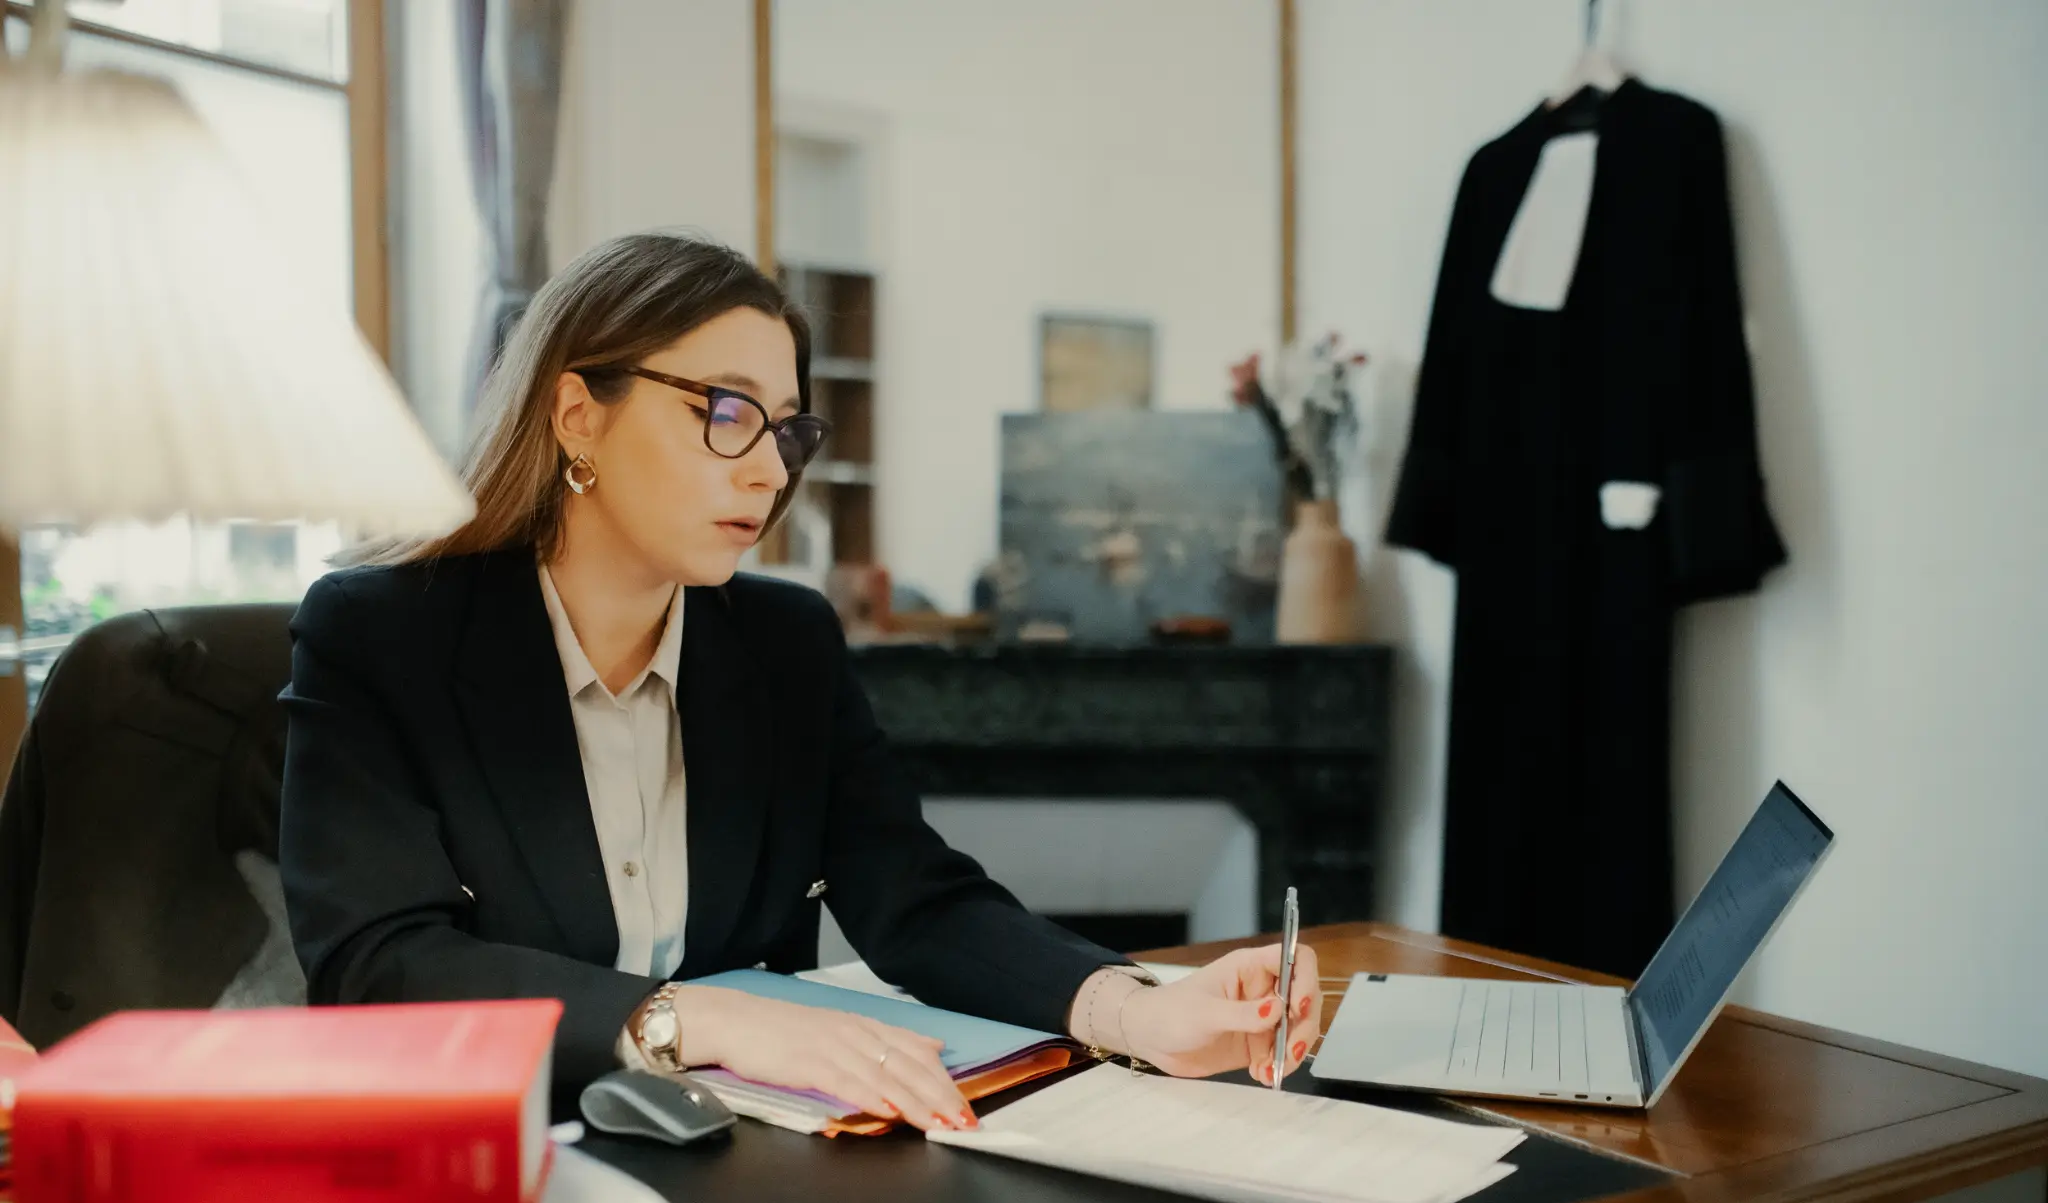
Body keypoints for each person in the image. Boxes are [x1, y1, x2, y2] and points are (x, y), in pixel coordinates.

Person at [279, 233, 1321, 1129]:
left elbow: (911, 898)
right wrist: (692, 1020)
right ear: (576, 416)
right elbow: (379, 967)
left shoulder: (781, 641)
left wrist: (1137, 1011)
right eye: (723, 412)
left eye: (784, 429)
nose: (771, 471)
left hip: (756, 1156)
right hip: (512, 1158)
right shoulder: (383, 632)